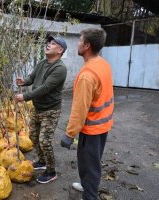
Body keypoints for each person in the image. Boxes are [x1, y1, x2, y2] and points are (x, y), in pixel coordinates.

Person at [61, 28, 114, 200]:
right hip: (103, 125)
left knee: (89, 167)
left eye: (79, 40)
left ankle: (90, 195)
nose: (77, 43)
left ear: (87, 46)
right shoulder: (103, 64)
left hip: (92, 129)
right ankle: (86, 185)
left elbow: (79, 109)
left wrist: (69, 134)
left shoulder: (87, 75)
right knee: (92, 163)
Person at [14, 35, 67, 184]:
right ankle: (42, 161)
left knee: (44, 141)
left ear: (60, 50)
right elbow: (32, 78)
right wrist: (24, 81)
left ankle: (51, 171)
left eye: (53, 43)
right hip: (38, 108)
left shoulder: (60, 68)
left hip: (51, 110)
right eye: (49, 42)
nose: (48, 44)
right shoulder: (42, 63)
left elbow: (45, 88)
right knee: (33, 137)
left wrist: (25, 96)